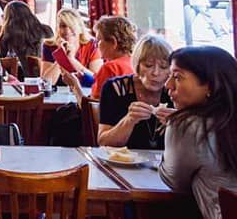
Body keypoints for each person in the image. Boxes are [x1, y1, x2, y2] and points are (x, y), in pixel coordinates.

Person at [159, 46, 237, 219]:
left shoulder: (188, 126)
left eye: (177, 77)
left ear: (210, 85)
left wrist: (176, 127)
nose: (168, 85)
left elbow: (174, 181)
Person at [97, 33, 172, 150]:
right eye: (148, 65)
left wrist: (179, 126)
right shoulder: (116, 88)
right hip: (124, 164)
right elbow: (104, 142)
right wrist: (129, 120)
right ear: (137, 65)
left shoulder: (174, 91)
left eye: (163, 67)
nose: (156, 73)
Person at [41, 8, 103, 86]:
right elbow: (45, 83)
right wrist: (61, 57)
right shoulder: (49, 45)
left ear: (80, 29)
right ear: (58, 29)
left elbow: (97, 79)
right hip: (58, 95)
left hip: (85, 94)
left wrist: (71, 59)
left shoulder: (92, 45)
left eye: (71, 26)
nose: (67, 30)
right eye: (63, 26)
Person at [0, 0, 52, 76]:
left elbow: (0, 61)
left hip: (19, 79)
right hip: (47, 74)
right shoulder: (46, 30)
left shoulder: (7, 35)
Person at [88, 15, 136, 100]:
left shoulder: (110, 68)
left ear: (113, 42)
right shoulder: (136, 64)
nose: (96, 46)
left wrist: (75, 87)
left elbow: (94, 107)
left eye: (98, 41)